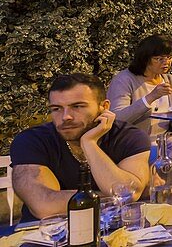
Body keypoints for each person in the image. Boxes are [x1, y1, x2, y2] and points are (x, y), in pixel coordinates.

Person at [11, 73, 150, 220]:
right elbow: (44, 205)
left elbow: (128, 192)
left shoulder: (128, 136)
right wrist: (113, 199)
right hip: (47, 236)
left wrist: (89, 143)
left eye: (77, 106)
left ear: (104, 107)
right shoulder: (31, 141)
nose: (66, 117)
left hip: (112, 232)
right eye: (57, 109)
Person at [105, 35, 172, 162]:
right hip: (134, 140)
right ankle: (154, 181)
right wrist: (150, 97)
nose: (166, 62)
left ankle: (167, 181)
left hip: (165, 138)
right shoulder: (124, 80)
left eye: (169, 58)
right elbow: (117, 119)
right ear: (145, 59)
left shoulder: (170, 80)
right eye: (159, 59)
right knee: (169, 157)